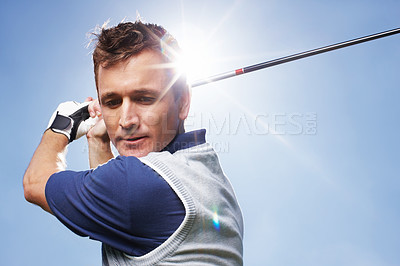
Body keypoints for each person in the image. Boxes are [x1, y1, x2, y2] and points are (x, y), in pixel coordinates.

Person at [23, 20, 244, 265]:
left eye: (144, 98)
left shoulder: (142, 186)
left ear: (182, 102)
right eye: (112, 102)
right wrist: (98, 140)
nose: (126, 120)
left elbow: (35, 183)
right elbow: (117, 209)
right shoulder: (203, 169)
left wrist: (62, 125)